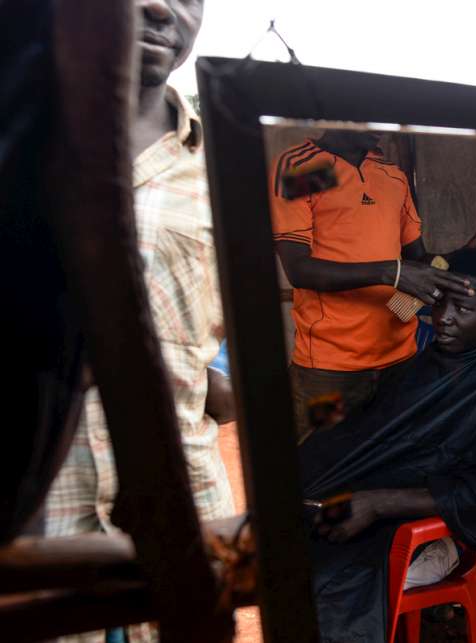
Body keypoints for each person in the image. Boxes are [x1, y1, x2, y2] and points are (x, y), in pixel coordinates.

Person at [43, 1, 235, 641]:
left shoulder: (226, 172)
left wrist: (206, 378)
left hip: (186, 501)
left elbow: (230, 343)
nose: (158, 6)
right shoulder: (24, 154)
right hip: (50, 504)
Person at [298, 248, 476, 642]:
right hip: (373, 502)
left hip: (439, 535)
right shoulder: (425, 362)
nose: (444, 318)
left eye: (462, 309)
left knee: (327, 583)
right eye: (439, 303)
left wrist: (378, 502)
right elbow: (374, 442)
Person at [269, 131, 476, 440]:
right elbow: (299, 269)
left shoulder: (391, 176)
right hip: (331, 368)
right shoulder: (307, 169)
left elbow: (418, 260)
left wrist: (464, 255)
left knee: (384, 464)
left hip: (400, 361)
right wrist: (390, 273)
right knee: (316, 467)